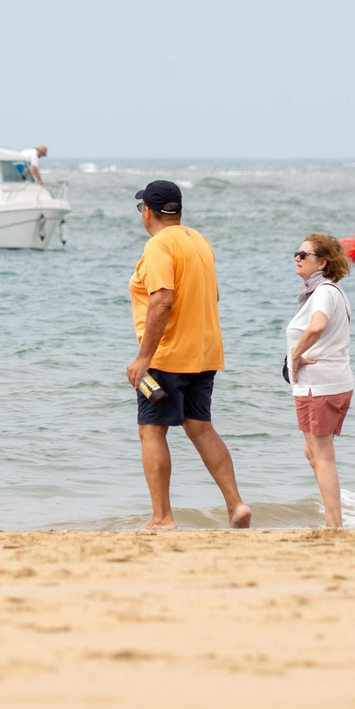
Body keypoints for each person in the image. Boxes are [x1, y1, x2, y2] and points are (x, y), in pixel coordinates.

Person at [125, 180, 252, 530]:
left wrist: (143, 357)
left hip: (167, 355)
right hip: (205, 352)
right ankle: (236, 505)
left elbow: (162, 299)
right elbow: (214, 296)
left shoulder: (158, 245)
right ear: (177, 211)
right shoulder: (199, 241)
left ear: (147, 211)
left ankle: (162, 517)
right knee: (201, 428)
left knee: (151, 431)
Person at [286, 233, 353, 528]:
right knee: (311, 452)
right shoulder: (321, 292)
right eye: (297, 252)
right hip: (320, 383)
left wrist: (296, 354)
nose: (297, 258)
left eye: (305, 255)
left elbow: (318, 325)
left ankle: (334, 524)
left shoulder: (325, 291)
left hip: (322, 384)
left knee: (322, 455)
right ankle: (332, 519)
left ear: (322, 263)